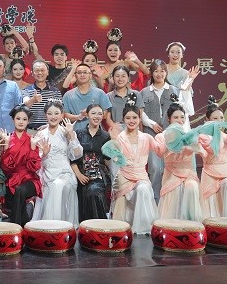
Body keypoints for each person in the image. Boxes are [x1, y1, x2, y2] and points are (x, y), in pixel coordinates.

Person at [101, 103, 160, 235]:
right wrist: (113, 142)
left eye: (134, 117)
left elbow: (160, 151)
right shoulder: (120, 137)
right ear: (123, 119)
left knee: (143, 189)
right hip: (124, 176)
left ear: (139, 119)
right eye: (128, 118)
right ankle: (123, 226)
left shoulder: (146, 137)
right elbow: (113, 159)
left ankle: (142, 227)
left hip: (141, 176)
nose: (131, 121)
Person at [139, 59, 194, 198]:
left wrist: (189, 81)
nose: (159, 74)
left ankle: (169, 198)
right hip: (152, 134)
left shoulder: (174, 90)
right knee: (155, 168)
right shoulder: (144, 92)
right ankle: (155, 199)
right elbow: (141, 113)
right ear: (151, 73)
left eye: (162, 71)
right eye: (156, 71)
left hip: (171, 136)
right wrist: (151, 124)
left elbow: (183, 108)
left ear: (166, 73)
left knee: (169, 167)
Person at [31, 102, 83, 225]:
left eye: (56, 113)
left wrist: (71, 135)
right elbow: (36, 160)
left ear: (61, 115)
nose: (53, 116)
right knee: (50, 186)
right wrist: (44, 154)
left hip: (64, 173)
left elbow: (77, 154)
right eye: (50, 113)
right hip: (46, 174)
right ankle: (48, 227)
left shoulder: (66, 132)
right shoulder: (41, 134)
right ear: (45, 115)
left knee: (57, 186)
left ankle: (58, 225)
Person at [154, 100, 206, 221]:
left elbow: (200, 151)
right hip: (171, 173)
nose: (179, 120)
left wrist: (192, 145)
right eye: (175, 117)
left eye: (182, 117)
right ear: (169, 119)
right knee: (175, 189)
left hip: (188, 173)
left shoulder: (189, 135)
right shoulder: (162, 136)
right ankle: (172, 225)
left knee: (192, 188)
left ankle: (192, 223)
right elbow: (160, 152)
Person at [199, 97, 227, 219]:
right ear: (207, 120)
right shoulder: (203, 137)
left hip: (226, 171)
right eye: (215, 118)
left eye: (221, 118)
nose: (219, 121)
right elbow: (215, 149)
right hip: (210, 173)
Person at [0, 105, 42, 226]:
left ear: (28, 121)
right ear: (13, 120)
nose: (21, 122)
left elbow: (35, 167)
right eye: (18, 118)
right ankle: (24, 219)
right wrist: (6, 147)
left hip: (30, 179)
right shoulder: (8, 138)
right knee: (16, 195)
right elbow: (5, 168)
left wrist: (33, 148)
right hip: (12, 179)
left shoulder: (32, 139)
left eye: (24, 119)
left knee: (20, 190)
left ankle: (15, 227)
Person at [73, 104, 112, 222]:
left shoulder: (105, 136)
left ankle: (99, 225)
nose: (97, 116)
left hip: (98, 175)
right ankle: (86, 226)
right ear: (87, 115)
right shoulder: (78, 133)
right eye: (93, 113)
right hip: (80, 173)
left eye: (100, 114)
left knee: (94, 191)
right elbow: (72, 158)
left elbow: (107, 159)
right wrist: (79, 175)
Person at [62, 64, 111, 132]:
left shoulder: (100, 93)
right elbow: (65, 115)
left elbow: (106, 114)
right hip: (75, 133)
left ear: (90, 75)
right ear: (75, 76)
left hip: (97, 133)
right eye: (79, 73)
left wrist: (93, 113)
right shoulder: (68, 95)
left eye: (85, 72)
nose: (82, 75)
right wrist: (78, 117)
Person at [22, 60, 63, 130]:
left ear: (48, 72)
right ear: (32, 73)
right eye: (37, 70)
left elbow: (61, 113)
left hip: (50, 130)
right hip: (31, 131)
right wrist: (33, 100)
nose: (40, 73)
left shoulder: (55, 92)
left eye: (42, 70)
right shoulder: (26, 90)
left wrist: (49, 125)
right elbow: (24, 106)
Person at [105, 66, 144, 130]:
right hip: (116, 130)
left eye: (123, 76)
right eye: (117, 76)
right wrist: (116, 128)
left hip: (133, 129)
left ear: (128, 78)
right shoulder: (108, 96)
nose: (120, 79)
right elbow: (108, 119)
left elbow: (140, 117)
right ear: (113, 78)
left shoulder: (135, 94)